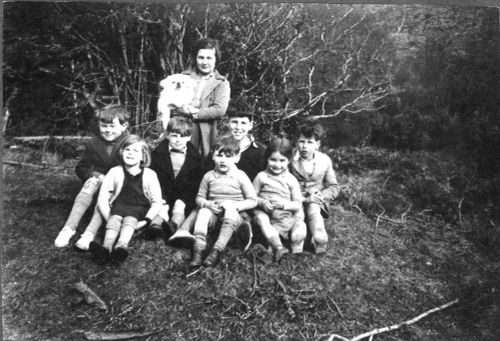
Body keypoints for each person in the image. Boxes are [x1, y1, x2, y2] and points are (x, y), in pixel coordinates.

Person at [167, 108, 265, 247]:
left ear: (251, 125)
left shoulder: (260, 151)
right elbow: (203, 178)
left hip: (242, 204)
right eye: (234, 122)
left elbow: (264, 181)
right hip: (215, 203)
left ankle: (238, 236)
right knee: (199, 209)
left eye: (243, 123)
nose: (238, 127)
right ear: (228, 123)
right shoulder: (219, 147)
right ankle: (182, 232)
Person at [54, 105, 129, 249]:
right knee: (90, 184)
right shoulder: (94, 143)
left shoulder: (130, 143)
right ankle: (69, 228)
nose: (107, 130)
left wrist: (111, 180)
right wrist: (93, 175)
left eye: (112, 126)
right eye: (104, 126)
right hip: (98, 181)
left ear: (124, 126)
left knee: (106, 195)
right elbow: (81, 167)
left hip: (120, 186)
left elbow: (137, 170)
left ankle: (89, 234)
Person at [89, 135, 162, 263]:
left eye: (135, 151)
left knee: (129, 220)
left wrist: (146, 221)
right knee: (115, 218)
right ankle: (106, 248)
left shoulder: (150, 175)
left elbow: (157, 201)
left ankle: (121, 247)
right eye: (127, 150)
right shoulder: (114, 172)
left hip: (139, 210)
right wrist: (108, 217)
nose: (130, 153)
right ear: (121, 152)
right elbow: (103, 196)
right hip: (118, 208)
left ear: (143, 156)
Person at [189, 134, 257, 268]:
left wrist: (235, 205)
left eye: (228, 156)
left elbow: (253, 200)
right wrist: (208, 204)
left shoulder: (240, 176)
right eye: (219, 155)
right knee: (202, 212)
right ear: (213, 156)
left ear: (237, 158)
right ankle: (198, 249)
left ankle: (216, 250)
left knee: (230, 211)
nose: (223, 160)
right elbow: (199, 197)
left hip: (235, 219)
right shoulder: (208, 176)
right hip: (215, 216)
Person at [169, 38, 230, 156]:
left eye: (209, 58)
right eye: (201, 57)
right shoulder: (183, 77)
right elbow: (173, 103)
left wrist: (193, 113)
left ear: (216, 59)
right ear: (195, 58)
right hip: (180, 129)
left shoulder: (221, 83)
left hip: (206, 133)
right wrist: (181, 108)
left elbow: (219, 110)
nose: (204, 62)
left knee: (202, 163)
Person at [147, 116, 203, 242]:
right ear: (167, 135)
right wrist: (159, 197)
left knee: (179, 206)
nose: (178, 140)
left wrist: (185, 198)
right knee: (162, 207)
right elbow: (153, 176)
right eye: (174, 135)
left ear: (189, 137)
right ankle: (155, 227)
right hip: (163, 192)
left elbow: (195, 182)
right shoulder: (158, 154)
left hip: (184, 194)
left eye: (182, 136)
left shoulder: (195, 157)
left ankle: (173, 226)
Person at [253, 137, 307, 262]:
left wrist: (283, 205)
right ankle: (278, 247)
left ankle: (296, 235)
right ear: (267, 158)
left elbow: (297, 204)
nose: (277, 165)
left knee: (294, 227)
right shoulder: (261, 176)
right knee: (262, 220)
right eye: (273, 160)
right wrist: (262, 202)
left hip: (284, 215)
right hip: (264, 212)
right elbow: (252, 197)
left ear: (289, 160)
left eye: (282, 160)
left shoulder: (291, 180)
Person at [289, 122, 339, 254]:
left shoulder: (324, 160)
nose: (304, 146)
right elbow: (281, 181)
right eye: (301, 141)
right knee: (297, 212)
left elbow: (333, 186)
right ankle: (297, 237)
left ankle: (319, 236)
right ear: (296, 142)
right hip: (295, 197)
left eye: (310, 142)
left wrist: (321, 195)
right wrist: (300, 197)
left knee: (314, 210)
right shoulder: (289, 158)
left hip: (316, 199)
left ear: (318, 144)